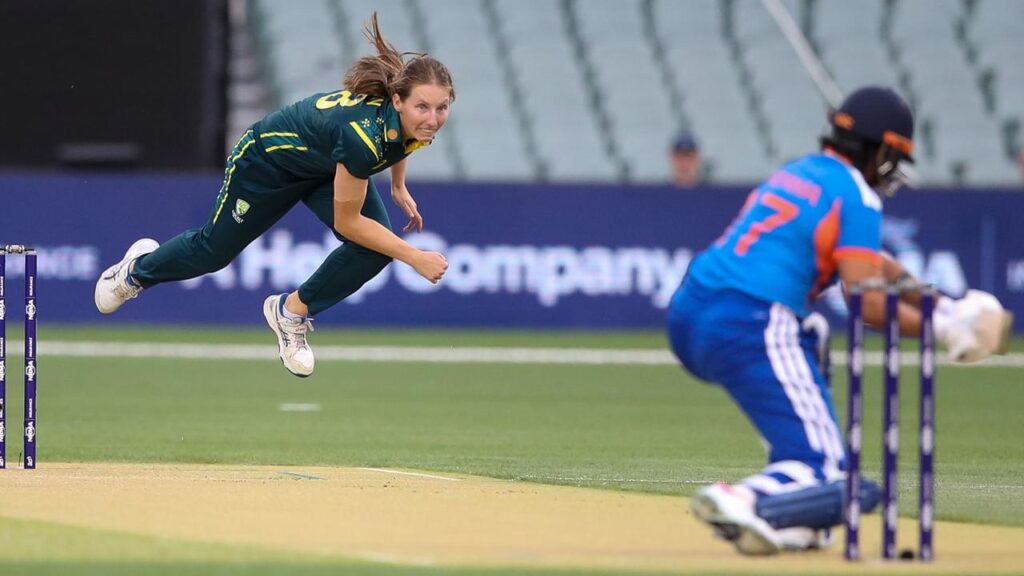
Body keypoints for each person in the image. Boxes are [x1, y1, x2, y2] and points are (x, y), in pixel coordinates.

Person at [666, 86, 1013, 555]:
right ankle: (745, 497)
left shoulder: (798, 172)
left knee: (814, 333)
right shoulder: (858, 197)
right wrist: (947, 331)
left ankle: (800, 521)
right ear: (883, 148)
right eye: (894, 156)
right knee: (834, 475)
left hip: (690, 310)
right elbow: (867, 304)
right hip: (751, 319)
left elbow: (878, 265)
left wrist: (945, 306)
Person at [94, 14, 452, 378]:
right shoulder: (363, 139)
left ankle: (290, 313)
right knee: (211, 253)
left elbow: (404, 143)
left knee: (375, 250)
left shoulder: (416, 125)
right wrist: (414, 257)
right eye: (423, 107)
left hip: (323, 166)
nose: (434, 118)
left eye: (442, 107)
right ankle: (135, 272)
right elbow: (349, 223)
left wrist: (397, 184)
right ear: (397, 101)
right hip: (267, 162)